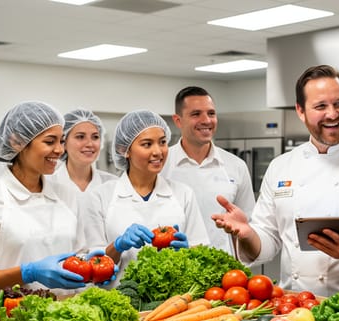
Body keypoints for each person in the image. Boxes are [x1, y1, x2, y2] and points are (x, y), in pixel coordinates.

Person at [212, 64, 339, 297]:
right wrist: (248, 234)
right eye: (321, 106)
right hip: (293, 307)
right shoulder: (281, 167)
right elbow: (268, 240)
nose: (332, 114)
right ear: (300, 111)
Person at [0, 101, 104, 295]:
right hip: (12, 318)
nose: (59, 150)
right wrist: (27, 273)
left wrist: (91, 264)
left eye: (61, 141)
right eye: (50, 142)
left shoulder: (67, 195)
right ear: (17, 142)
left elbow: (78, 254)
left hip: (65, 317)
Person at [80, 109, 210, 277]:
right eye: (147, 144)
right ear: (124, 150)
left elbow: (202, 252)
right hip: (121, 297)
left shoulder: (183, 194)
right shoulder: (99, 197)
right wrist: (118, 246)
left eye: (162, 142)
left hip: (173, 300)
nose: (158, 151)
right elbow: (94, 266)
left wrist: (188, 251)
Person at [162, 86, 255, 255]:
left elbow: (248, 225)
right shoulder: (161, 164)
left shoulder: (236, 166)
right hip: (173, 270)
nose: (206, 120)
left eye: (211, 113)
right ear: (178, 121)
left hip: (222, 271)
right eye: (196, 114)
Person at [52, 108, 117, 195]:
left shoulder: (114, 184)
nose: (90, 144)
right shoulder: (47, 184)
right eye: (80, 137)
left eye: (95, 137)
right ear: (64, 142)